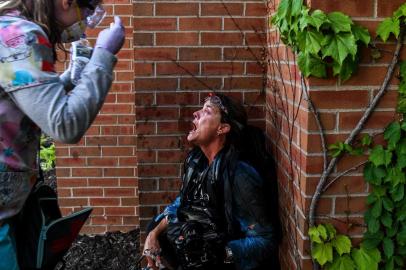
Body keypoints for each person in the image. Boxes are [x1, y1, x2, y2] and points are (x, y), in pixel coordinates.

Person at [0, 0, 125, 269]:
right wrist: (104, 54)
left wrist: (67, 80)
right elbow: (64, 124)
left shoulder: (10, 27)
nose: (88, 22)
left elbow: (23, 97)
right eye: (90, 11)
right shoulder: (21, 36)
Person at [143, 93, 281, 270]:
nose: (195, 113)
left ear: (222, 128)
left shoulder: (238, 175)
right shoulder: (196, 162)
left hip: (223, 261)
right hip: (195, 254)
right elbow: (182, 203)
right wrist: (153, 235)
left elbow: (266, 240)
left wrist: (221, 253)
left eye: (206, 110)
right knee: (154, 226)